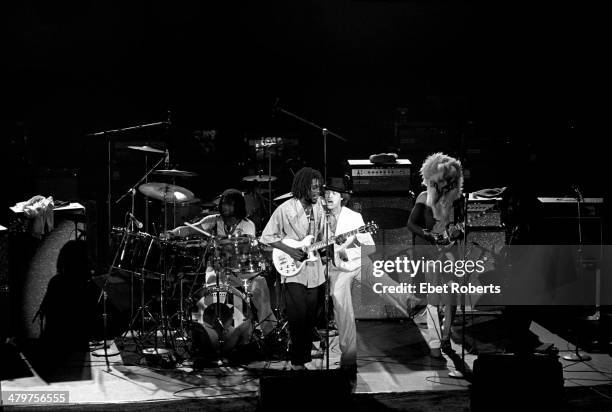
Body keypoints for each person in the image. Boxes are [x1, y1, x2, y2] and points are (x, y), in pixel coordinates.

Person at [167, 188, 276, 353]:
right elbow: (189, 229)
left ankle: (271, 336)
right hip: (218, 270)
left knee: (260, 285)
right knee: (211, 282)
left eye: (229, 204)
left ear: (237, 206)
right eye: (223, 203)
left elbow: (245, 252)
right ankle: (214, 332)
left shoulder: (248, 225)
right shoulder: (214, 221)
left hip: (241, 271)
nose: (224, 207)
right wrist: (172, 233)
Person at [260, 167, 326, 370]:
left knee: (309, 318)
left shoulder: (320, 208)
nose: (317, 191)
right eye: (314, 188)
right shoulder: (285, 209)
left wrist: (332, 241)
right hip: (293, 271)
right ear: (304, 187)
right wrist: (289, 250)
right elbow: (267, 237)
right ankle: (298, 362)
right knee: (297, 317)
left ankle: (302, 358)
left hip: (313, 269)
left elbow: (322, 238)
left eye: (319, 188)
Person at [407, 153, 465, 358]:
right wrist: (428, 235)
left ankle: (446, 336)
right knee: (433, 298)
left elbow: (461, 226)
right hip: (432, 254)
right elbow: (411, 224)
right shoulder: (423, 198)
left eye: (448, 180)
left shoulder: (458, 200)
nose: (444, 184)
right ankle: (434, 341)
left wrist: (459, 231)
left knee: (451, 297)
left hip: (451, 253)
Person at [322, 177, 376, 375]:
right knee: (342, 309)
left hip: (356, 263)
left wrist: (346, 250)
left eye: (333, 193)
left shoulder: (353, 217)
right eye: (326, 193)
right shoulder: (319, 217)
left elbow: (370, 246)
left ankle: (408, 299)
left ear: (342, 197)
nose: (328, 196)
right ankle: (349, 359)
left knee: (381, 281)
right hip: (334, 269)